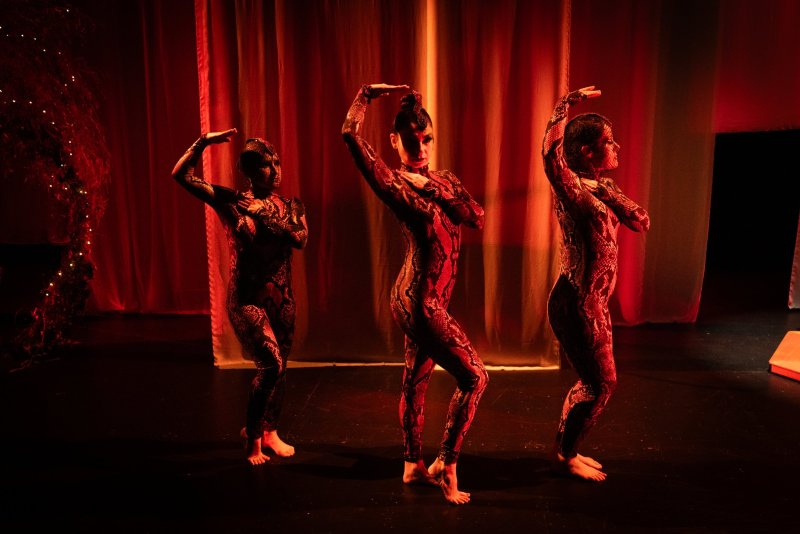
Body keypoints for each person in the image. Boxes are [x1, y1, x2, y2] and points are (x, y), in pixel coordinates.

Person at [342, 84, 488, 505]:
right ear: (394, 141)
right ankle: (446, 466)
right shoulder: (393, 183)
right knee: (475, 378)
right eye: (411, 141)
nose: (420, 148)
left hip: (431, 298)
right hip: (417, 301)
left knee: (416, 380)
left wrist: (437, 190)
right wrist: (364, 96)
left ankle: (411, 465)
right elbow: (350, 135)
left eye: (427, 139)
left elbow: (476, 217)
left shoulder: (444, 179)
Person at [171, 129, 307, 466]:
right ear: (249, 170)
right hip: (247, 298)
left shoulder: (291, 205)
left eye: (277, 163)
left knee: (281, 368)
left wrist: (264, 214)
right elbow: (181, 176)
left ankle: (271, 432)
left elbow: (300, 238)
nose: (275, 171)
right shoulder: (230, 200)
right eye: (266, 165)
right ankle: (253, 438)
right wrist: (203, 142)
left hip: (283, 299)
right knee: (270, 365)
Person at [542, 86, 650, 481]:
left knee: (597, 383)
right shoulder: (570, 187)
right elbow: (549, 157)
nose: (617, 147)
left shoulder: (605, 187)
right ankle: (566, 454)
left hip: (594, 302)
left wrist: (607, 192)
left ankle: (566, 450)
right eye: (609, 141)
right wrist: (564, 105)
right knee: (601, 383)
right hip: (575, 301)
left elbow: (641, 221)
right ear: (588, 151)